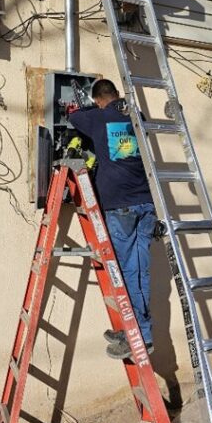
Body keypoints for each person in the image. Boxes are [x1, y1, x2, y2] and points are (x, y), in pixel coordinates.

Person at [68, 78, 155, 360]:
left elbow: (74, 116)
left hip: (121, 209)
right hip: (145, 204)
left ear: (98, 100)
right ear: (116, 94)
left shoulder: (97, 116)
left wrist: (86, 108)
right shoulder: (134, 114)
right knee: (139, 270)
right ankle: (137, 330)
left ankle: (140, 336)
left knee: (131, 272)